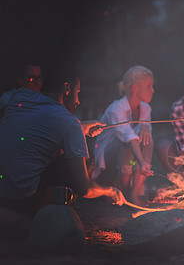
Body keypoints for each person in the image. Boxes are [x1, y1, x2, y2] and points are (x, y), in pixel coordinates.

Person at [0, 65, 125, 216]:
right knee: (84, 160)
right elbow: (84, 188)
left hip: (2, 194)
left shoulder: (18, 97)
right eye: (77, 92)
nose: (78, 100)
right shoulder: (68, 122)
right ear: (67, 88)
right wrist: (110, 191)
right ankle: (57, 215)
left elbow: (43, 124)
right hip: (23, 198)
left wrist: (81, 126)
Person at [93, 66, 154, 207]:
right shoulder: (116, 108)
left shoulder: (146, 109)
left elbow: (143, 139)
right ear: (134, 88)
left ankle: (134, 193)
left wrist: (145, 125)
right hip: (108, 161)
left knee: (149, 140)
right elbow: (128, 136)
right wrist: (141, 161)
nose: (153, 90)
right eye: (149, 86)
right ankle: (125, 191)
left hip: (130, 160)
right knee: (125, 144)